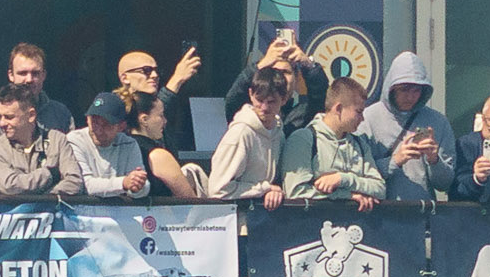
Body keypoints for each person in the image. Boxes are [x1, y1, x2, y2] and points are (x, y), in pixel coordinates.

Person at [361, 51, 457, 201]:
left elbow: (445, 184)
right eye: (404, 89)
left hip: (421, 210)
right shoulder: (367, 118)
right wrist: (395, 160)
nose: (410, 97)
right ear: (391, 88)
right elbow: (358, 174)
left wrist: (434, 160)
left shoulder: (438, 122)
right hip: (379, 210)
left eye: (416, 90)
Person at [283, 76, 384, 210]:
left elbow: (380, 189)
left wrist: (344, 179)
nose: (362, 119)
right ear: (338, 108)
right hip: (313, 222)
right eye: (358, 112)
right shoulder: (303, 139)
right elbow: (295, 192)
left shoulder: (360, 144)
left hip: (354, 222)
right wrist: (347, 196)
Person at [0, 83, 81, 201]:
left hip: (52, 212)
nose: (1, 123)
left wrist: (43, 200)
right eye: (0, 117)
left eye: (9, 117)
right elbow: (10, 187)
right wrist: (51, 174)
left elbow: (75, 182)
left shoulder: (57, 140)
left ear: (31, 115)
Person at [205, 65, 288, 205]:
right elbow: (218, 189)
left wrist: (271, 191)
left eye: (271, 101)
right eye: (259, 100)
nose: (264, 107)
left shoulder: (279, 133)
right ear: (250, 94)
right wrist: (264, 189)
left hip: (261, 213)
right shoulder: (240, 133)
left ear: (284, 99)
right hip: (234, 214)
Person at [0, 43, 73, 144]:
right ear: (11, 75)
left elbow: (69, 151)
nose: (29, 79)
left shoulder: (61, 113)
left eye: (35, 73)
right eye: (22, 73)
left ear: (43, 75)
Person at [117, 43, 201, 151]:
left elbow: (159, 107)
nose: (154, 75)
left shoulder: (158, 107)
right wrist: (177, 79)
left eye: (156, 70)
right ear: (125, 78)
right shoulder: (116, 109)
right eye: (146, 70)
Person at [65, 91, 150, 198]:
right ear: (87, 119)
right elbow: (85, 185)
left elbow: (144, 186)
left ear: (121, 127)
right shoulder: (74, 140)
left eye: (106, 124)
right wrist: (123, 183)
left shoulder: (129, 144)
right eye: (94, 121)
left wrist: (138, 186)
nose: (98, 129)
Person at [122, 87, 203, 196]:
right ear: (144, 119)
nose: (165, 121)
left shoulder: (120, 148)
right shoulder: (158, 155)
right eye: (161, 115)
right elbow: (189, 199)